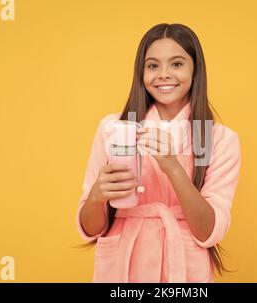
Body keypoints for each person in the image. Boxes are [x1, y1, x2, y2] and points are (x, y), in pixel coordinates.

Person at [76, 23, 241, 282]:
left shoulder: (217, 139)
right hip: (123, 269)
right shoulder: (114, 129)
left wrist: (173, 167)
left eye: (177, 64)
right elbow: (90, 228)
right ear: (141, 73)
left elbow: (209, 231)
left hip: (185, 270)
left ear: (196, 70)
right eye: (153, 65)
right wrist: (97, 196)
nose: (163, 74)